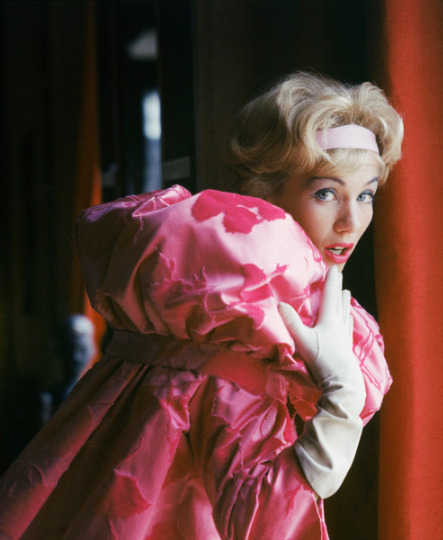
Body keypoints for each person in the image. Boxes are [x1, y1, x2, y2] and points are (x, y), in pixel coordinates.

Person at [0, 71, 403, 539]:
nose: (351, 221)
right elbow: (262, 523)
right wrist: (342, 404)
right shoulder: (238, 333)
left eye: (366, 194)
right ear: (266, 191)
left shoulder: (179, 303)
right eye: (326, 193)